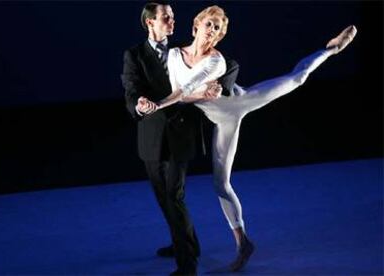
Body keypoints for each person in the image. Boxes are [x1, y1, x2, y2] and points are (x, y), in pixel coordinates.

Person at [147, 5, 357, 272]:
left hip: (242, 101)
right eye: (209, 24)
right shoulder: (175, 55)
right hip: (223, 120)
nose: (212, 31)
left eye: (218, 29)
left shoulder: (217, 61)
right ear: (195, 27)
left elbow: (185, 91)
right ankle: (244, 242)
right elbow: (180, 90)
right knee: (221, 184)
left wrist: (170, 100)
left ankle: (330, 49)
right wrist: (167, 100)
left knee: (298, 78)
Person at [121, 2, 239, 275]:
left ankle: (187, 264)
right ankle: (186, 244)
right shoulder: (135, 55)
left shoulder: (184, 51)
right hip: (151, 133)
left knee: (175, 195)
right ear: (150, 22)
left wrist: (223, 87)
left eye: (173, 17)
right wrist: (139, 104)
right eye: (166, 17)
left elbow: (229, 64)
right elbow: (131, 90)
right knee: (163, 197)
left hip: (181, 132)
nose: (172, 21)